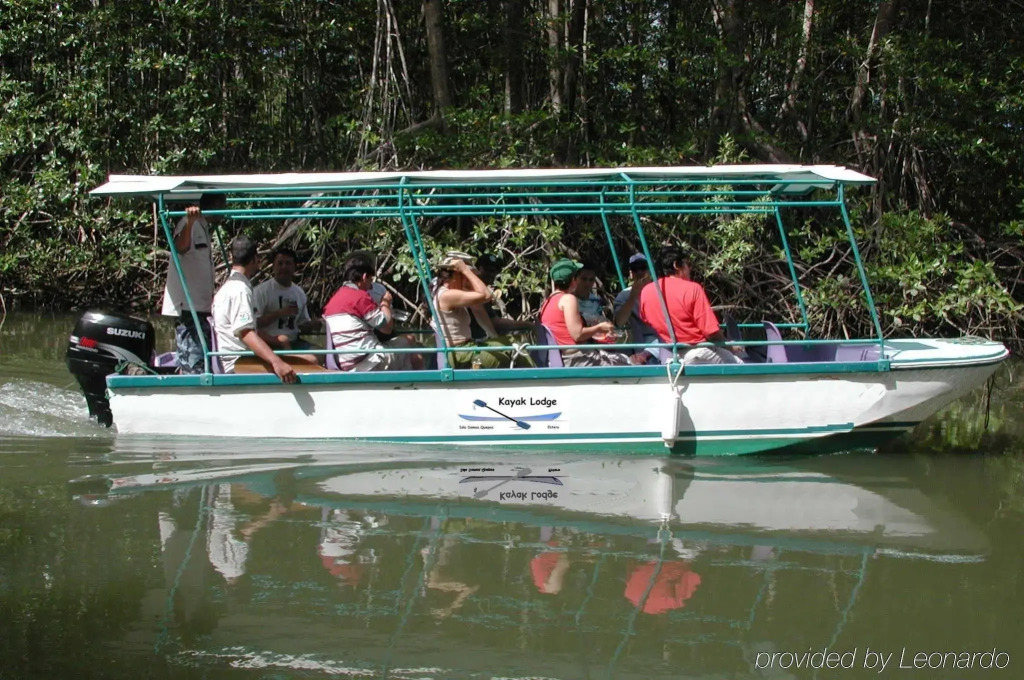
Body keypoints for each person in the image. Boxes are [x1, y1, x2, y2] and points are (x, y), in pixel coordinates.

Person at [211, 235, 298, 382]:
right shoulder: (240, 290)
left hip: (237, 359)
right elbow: (246, 333)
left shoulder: (228, 288)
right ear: (255, 259)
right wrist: (276, 362)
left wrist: (276, 342)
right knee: (307, 363)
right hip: (239, 364)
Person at [638, 246, 743, 364]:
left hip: (673, 355)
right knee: (743, 367)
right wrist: (730, 347)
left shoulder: (646, 292)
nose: (689, 269)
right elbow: (711, 332)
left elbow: (647, 320)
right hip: (699, 352)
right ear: (676, 265)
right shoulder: (692, 289)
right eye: (687, 264)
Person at [431, 251, 535, 369]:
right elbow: (485, 295)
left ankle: (534, 374)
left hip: (467, 349)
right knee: (512, 349)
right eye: (465, 276)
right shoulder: (447, 295)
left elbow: (480, 306)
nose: (468, 279)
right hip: (461, 354)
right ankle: (538, 378)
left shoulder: (449, 292)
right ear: (456, 274)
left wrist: (496, 339)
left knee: (510, 341)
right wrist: (465, 270)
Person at [323, 252, 423, 371]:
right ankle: (419, 385)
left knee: (404, 346)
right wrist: (385, 303)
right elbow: (386, 328)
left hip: (346, 362)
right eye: (370, 280)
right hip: (369, 361)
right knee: (410, 342)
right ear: (364, 277)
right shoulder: (359, 297)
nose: (371, 286)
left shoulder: (334, 300)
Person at [161, 194, 224, 374]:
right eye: (222, 207)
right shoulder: (191, 223)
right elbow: (180, 248)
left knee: (204, 360)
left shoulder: (204, 226)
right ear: (214, 206)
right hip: (188, 307)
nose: (223, 213)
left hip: (201, 307)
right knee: (193, 363)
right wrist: (189, 222)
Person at [539, 258, 634, 367]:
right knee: (628, 364)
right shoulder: (568, 299)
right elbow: (577, 335)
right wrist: (599, 328)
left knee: (622, 357)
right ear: (574, 280)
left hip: (567, 357)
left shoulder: (548, 302)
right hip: (578, 357)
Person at [253, 247, 322, 350]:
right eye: (280, 264)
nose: (284, 267)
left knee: (319, 353)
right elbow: (255, 324)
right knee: (311, 359)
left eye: (288, 263)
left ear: (294, 267)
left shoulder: (299, 293)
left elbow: (301, 325)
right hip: (269, 343)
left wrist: (314, 325)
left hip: (293, 342)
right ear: (274, 267)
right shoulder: (261, 291)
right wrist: (279, 313)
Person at [468, 253, 535, 340]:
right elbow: (495, 323)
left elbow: (494, 320)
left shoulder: (483, 291)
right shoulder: (473, 291)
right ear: (478, 269)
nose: (493, 274)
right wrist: (528, 325)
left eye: (496, 271)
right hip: (476, 340)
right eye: (489, 270)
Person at [613, 253, 659, 362]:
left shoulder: (660, 291)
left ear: (649, 270)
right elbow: (619, 322)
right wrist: (633, 296)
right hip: (640, 343)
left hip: (660, 341)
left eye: (643, 268)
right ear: (631, 273)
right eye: (635, 269)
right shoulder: (624, 295)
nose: (639, 272)